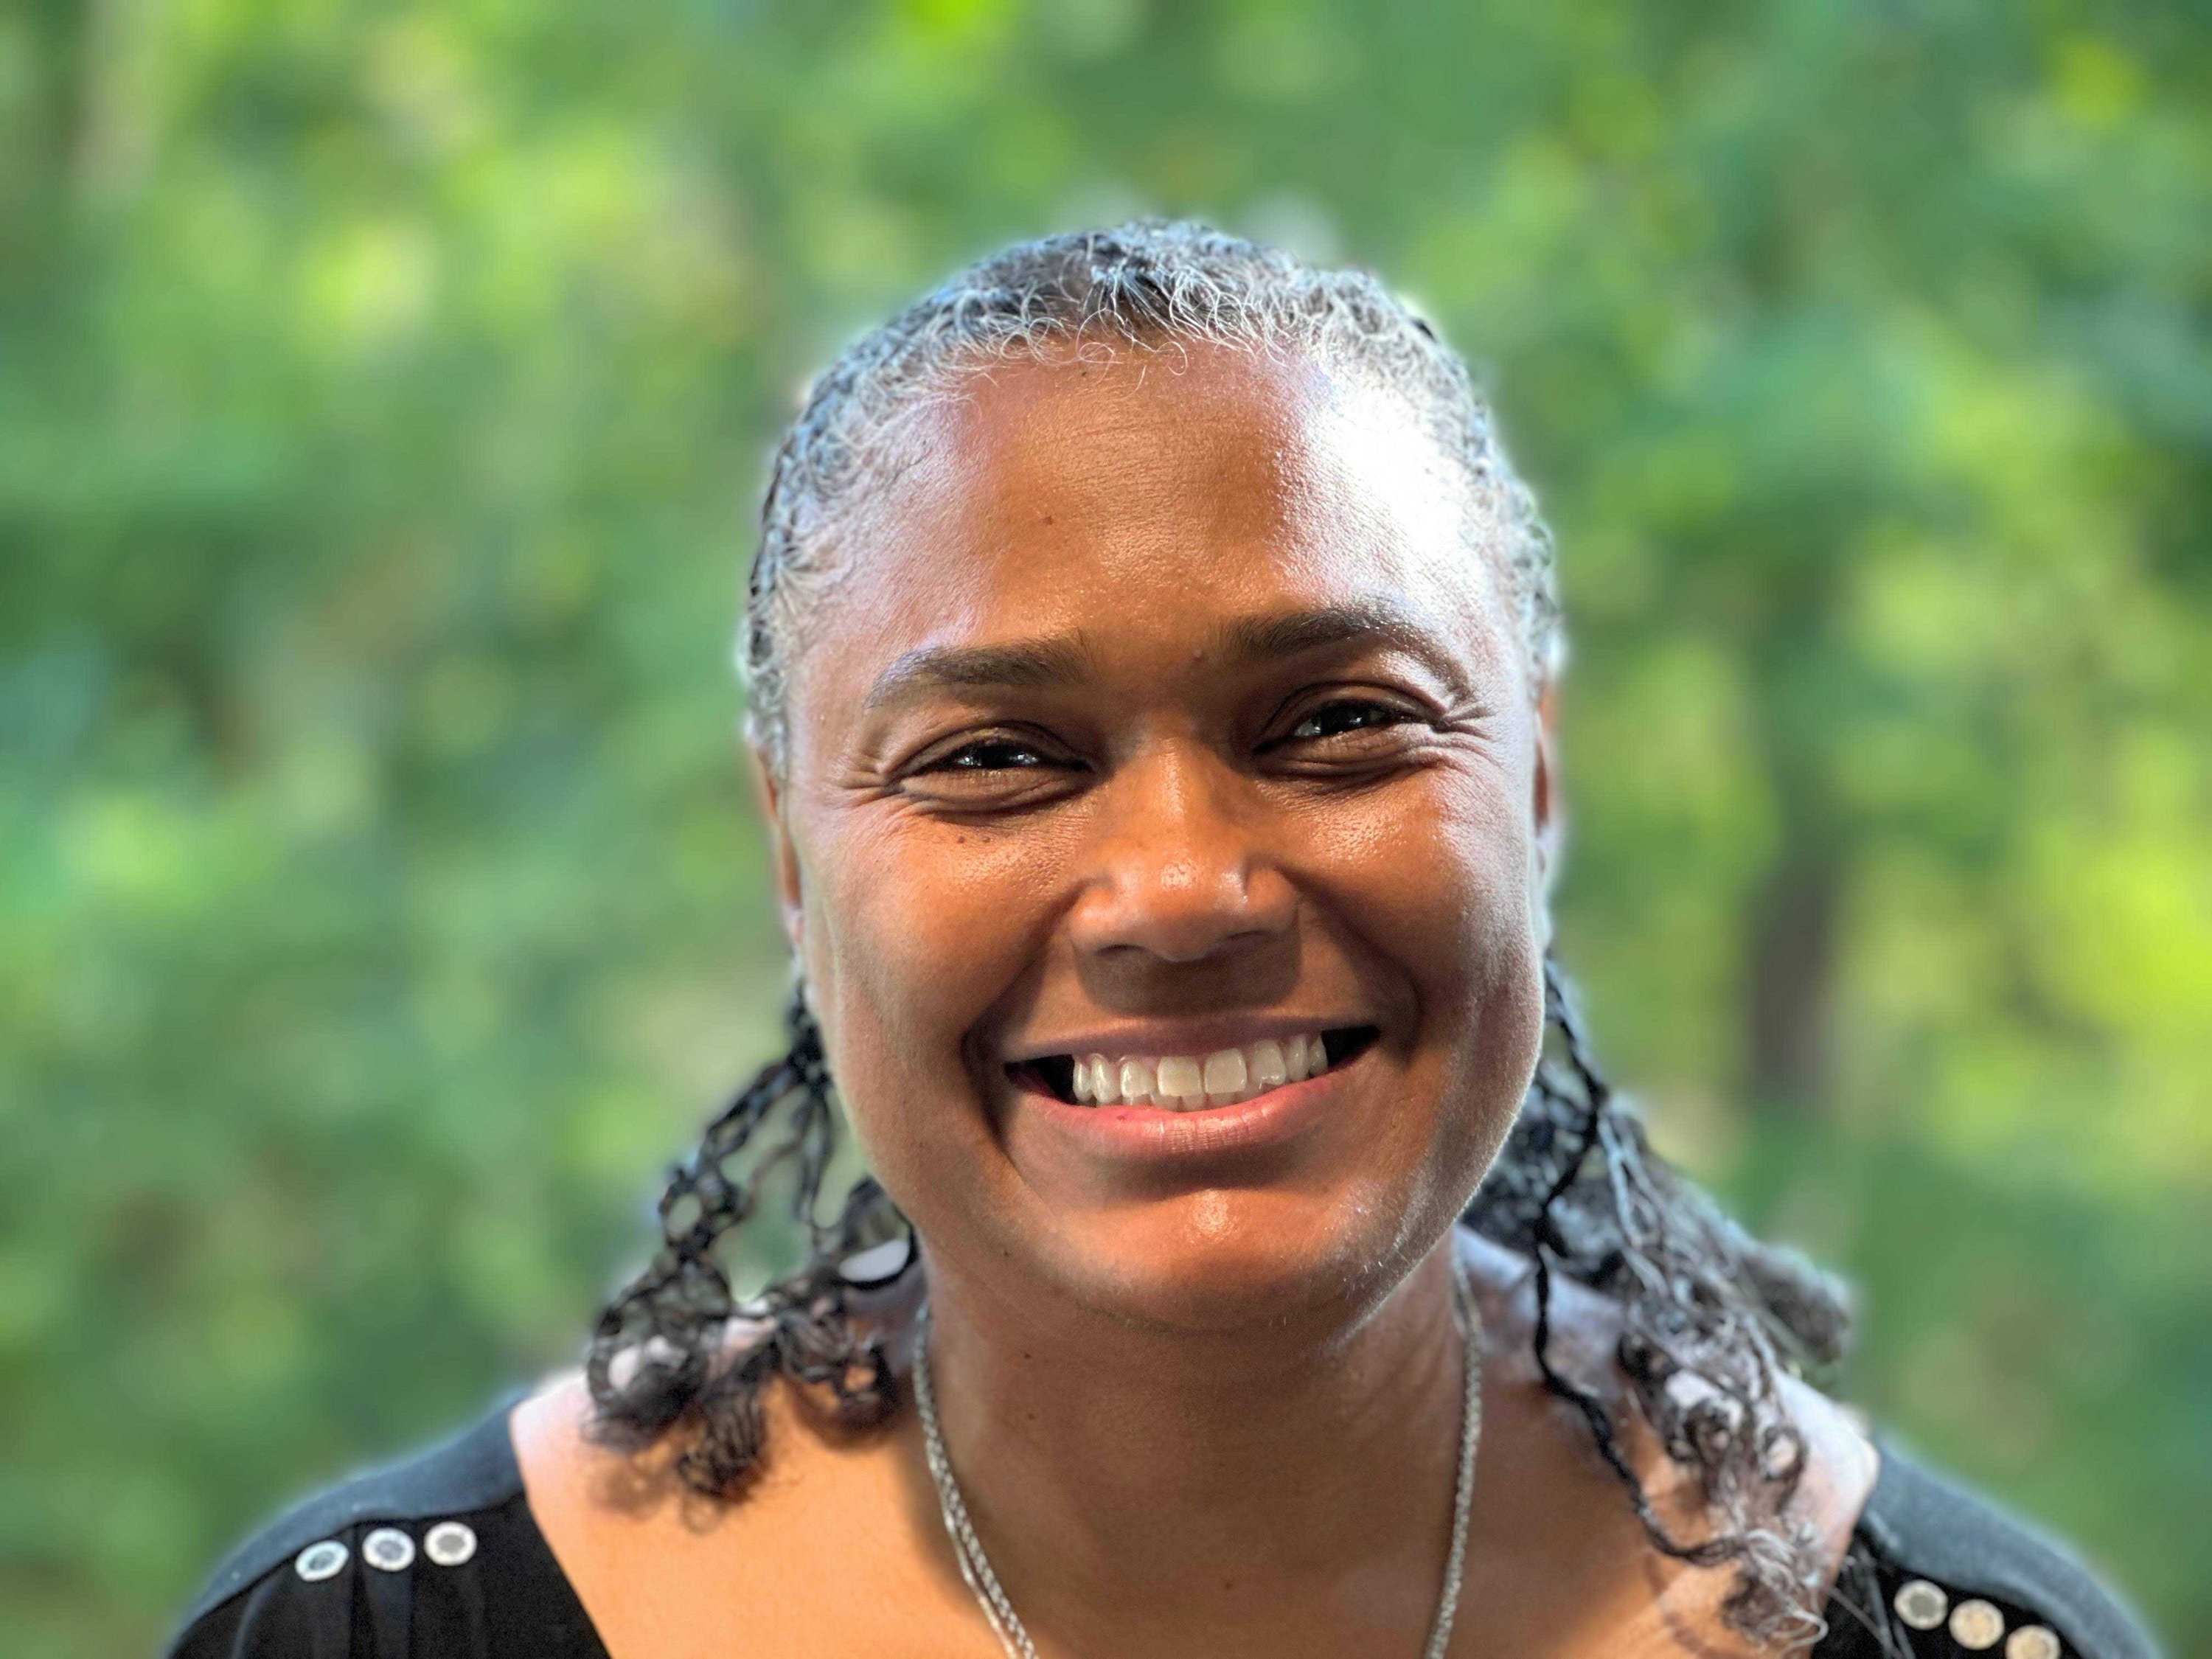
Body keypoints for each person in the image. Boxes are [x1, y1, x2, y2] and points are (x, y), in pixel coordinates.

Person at [165, 223, 2158, 1659]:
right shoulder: (388, 1636)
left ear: (1538, 786)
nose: (1183, 889)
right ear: (791, 853)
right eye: (996, 757)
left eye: (1337, 723)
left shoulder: (1942, 1636)